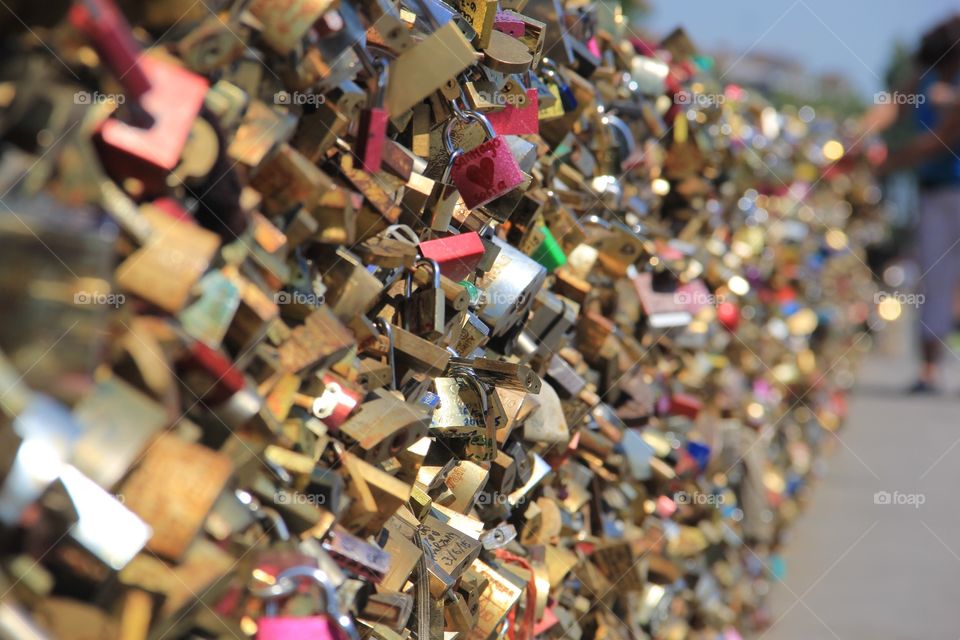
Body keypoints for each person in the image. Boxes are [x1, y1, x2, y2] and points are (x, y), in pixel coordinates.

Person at [863, 15, 960, 393]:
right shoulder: (927, 78)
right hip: (936, 191)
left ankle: (931, 366)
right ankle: (929, 370)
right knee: (934, 279)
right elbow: (891, 106)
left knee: (939, 282)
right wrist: (857, 136)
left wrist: (882, 161)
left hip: (949, 188)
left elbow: (937, 141)